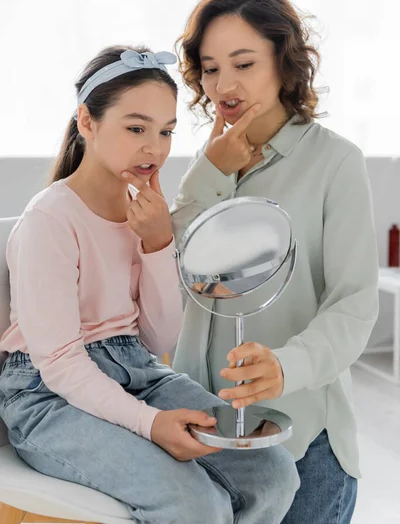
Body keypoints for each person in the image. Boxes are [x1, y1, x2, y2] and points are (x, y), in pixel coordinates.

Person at [0, 44, 299, 524]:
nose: (154, 148)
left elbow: (159, 339)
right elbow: (59, 364)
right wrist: (151, 424)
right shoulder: (49, 221)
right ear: (87, 122)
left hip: (138, 373)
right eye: (136, 128)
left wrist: (159, 244)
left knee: (273, 474)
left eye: (166, 132)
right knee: (194, 503)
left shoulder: (144, 215)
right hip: (49, 398)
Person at [169, 0, 379, 524]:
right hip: (204, 429)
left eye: (243, 63)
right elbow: (174, 274)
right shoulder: (209, 163)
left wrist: (286, 367)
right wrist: (209, 173)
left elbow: (354, 306)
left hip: (304, 440)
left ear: (285, 65)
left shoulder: (336, 162)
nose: (225, 85)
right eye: (211, 69)